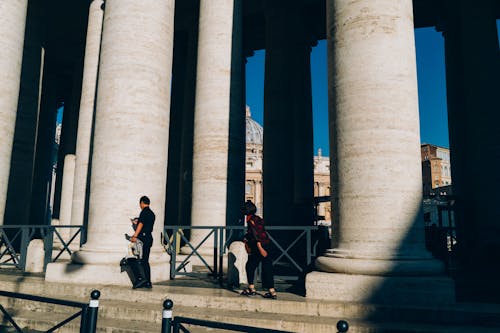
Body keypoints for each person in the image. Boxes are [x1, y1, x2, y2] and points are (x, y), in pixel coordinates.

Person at [240, 200, 277, 299]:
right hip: (267, 244)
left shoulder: (250, 220)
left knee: (250, 266)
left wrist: (260, 248)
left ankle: (251, 288)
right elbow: (259, 231)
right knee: (267, 267)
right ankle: (272, 291)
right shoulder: (258, 218)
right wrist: (246, 237)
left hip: (259, 246)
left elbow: (256, 234)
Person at [131, 196, 155, 289]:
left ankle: (140, 279)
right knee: (145, 260)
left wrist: (135, 236)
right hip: (149, 238)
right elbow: (146, 224)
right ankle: (148, 281)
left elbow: (141, 224)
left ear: (141, 203)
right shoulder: (152, 213)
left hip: (143, 239)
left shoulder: (144, 212)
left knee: (133, 258)